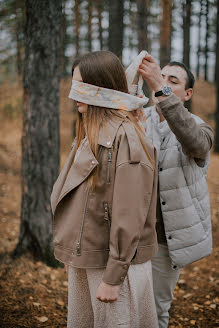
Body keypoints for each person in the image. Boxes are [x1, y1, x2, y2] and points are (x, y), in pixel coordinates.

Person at [50, 50, 159, 328]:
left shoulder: (127, 138)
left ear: (100, 89)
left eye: (80, 86)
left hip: (114, 268)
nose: (73, 96)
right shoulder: (91, 133)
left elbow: (129, 212)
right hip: (88, 260)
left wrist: (113, 276)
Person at [138, 55, 214, 328]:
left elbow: (195, 144)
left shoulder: (200, 127)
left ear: (187, 93)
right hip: (130, 235)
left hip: (164, 241)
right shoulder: (136, 118)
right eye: (161, 76)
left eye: (173, 81)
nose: (164, 82)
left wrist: (160, 87)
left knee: (156, 311)